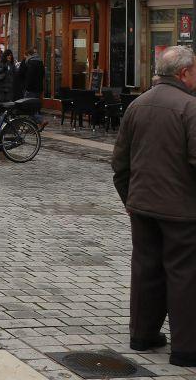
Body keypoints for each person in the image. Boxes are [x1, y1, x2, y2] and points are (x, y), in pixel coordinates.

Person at [111, 45, 196, 367]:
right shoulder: (190, 108)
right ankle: (186, 348)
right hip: (182, 210)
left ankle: (142, 335)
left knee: (146, 270)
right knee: (185, 275)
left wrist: (130, 200)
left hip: (143, 205)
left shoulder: (138, 105)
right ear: (184, 73)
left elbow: (119, 162)